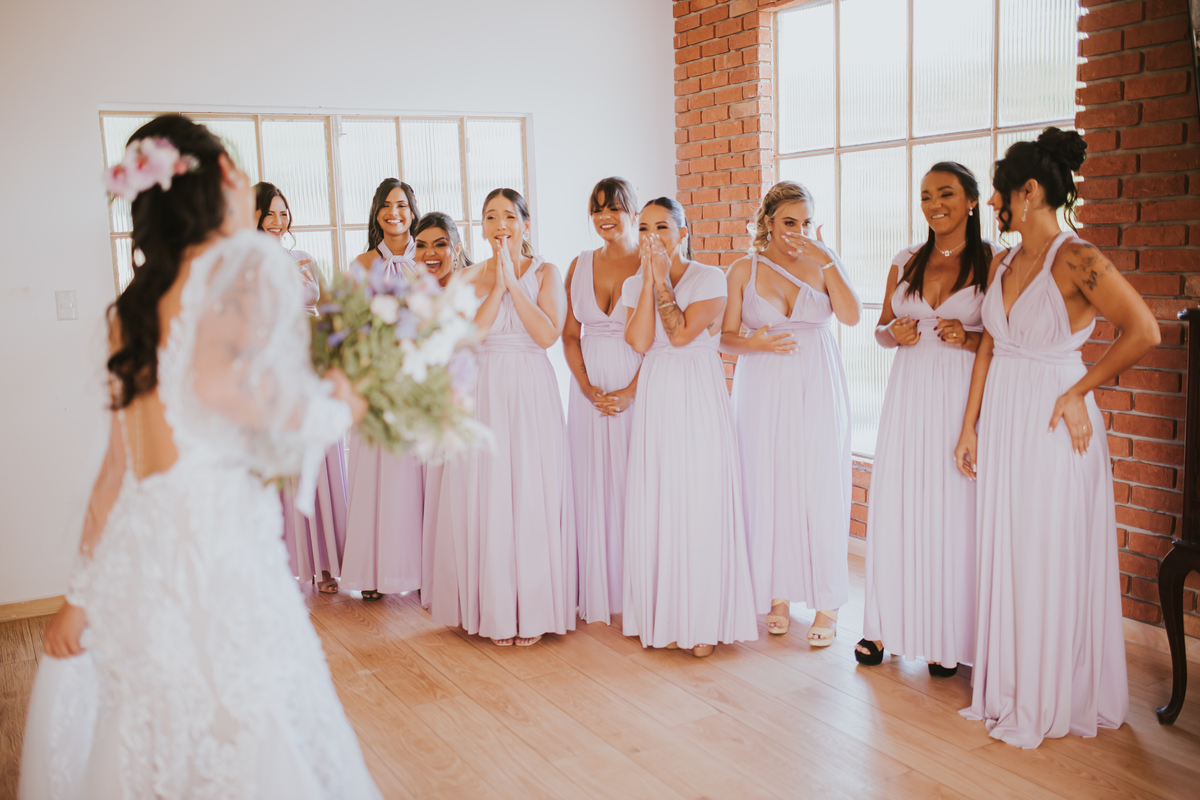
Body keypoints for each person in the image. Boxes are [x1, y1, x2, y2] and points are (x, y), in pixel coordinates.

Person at [21, 114, 380, 798]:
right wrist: (340, 405)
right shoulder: (239, 268)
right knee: (250, 715)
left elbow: (114, 473)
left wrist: (77, 598)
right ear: (220, 175)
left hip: (140, 546)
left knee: (158, 720)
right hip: (216, 543)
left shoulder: (131, 308)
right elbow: (226, 391)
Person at [954, 127, 1159, 748]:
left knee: (1045, 547)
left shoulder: (1076, 257)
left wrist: (1078, 391)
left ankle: (1051, 691)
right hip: (1005, 418)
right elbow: (989, 345)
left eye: (998, 192)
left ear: (1029, 191)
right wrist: (969, 425)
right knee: (1009, 546)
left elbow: (1143, 329)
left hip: (1052, 418)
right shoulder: (1002, 260)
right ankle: (1011, 685)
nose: (992, 203)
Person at [856, 163, 1001, 676]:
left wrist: (972, 337)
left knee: (954, 508)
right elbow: (879, 331)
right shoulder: (905, 260)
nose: (934, 205)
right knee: (900, 502)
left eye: (945, 194)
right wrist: (894, 333)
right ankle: (885, 625)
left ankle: (946, 634)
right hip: (909, 394)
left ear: (971, 201)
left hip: (962, 394)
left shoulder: (995, 260)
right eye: (925, 196)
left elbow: (1007, 339)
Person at [425, 188, 575, 647]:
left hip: (531, 389)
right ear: (483, 226)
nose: (500, 224)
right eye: (491, 217)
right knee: (485, 490)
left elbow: (547, 334)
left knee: (530, 488)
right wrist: (499, 285)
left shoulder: (547, 272)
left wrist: (515, 283)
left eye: (509, 216)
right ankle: (492, 608)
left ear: (525, 223)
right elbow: (468, 337)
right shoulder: (465, 277)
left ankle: (533, 610)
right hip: (483, 388)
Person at [720, 181, 860, 646]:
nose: (797, 230)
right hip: (762, 384)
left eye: (805, 221)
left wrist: (828, 260)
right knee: (769, 482)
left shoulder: (824, 261)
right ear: (768, 222)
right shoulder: (742, 269)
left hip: (817, 381)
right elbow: (724, 337)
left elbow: (852, 316)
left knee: (820, 482)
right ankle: (777, 595)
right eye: (788, 222)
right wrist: (754, 343)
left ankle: (828, 604)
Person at [621, 197, 757, 658]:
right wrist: (647, 282)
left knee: (700, 494)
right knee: (659, 493)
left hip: (698, 392)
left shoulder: (709, 278)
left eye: (661, 227)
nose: (651, 237)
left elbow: (680, 334)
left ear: (683, 232)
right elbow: (641, 341)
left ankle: (703, 619)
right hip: (657, 393)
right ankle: (660, 614)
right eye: (643, 228)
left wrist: (661, 280)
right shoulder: (633, 283)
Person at [255, 181, 347, 594]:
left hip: (314, 361)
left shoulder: (305, 258)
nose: (278, 221)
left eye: (283, 213)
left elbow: (330, 308)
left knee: (320, 454)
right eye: (269, 213)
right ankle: (284, 565)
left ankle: (326, 564)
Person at [340, 179, 425, 600]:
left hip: (417, 375)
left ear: (413, 211)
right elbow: (350, 322)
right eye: (387, 205)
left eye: (402, 205)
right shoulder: (361, 263)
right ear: (377, 213)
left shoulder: (428, 258)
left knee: (416, 470)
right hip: (377, 374)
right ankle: (373, 572)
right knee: (376, 472)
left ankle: (423, 571)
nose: (395, 212)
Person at [564, 177, 643, 625]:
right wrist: (585, 386)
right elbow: (569, 335)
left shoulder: (653, 262)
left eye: (613, 207)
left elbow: (665, 339)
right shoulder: (579, 265)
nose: (604, 217)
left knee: (635, 480)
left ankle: (638, 588)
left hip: (639, 384)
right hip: (588, 392)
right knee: (590, 480)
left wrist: (631, 391)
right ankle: (597, 586)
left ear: (632, 212)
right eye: (597, 209)